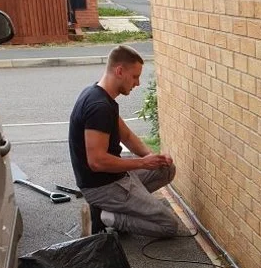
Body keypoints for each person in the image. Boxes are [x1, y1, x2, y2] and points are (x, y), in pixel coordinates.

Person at [68, 44, 182, 237]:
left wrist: (151, 157)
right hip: (102, 187)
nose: (137, 83)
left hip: (117, 177)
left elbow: (127, 136)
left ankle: (126, 205)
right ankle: (107, 216)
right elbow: (97, 162)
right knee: (169, 225)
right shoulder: (99, 107)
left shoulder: (101, 96)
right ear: (119, 71)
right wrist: (142, 162)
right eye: (135, 76)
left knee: (166, 169)